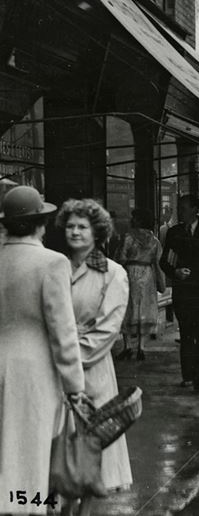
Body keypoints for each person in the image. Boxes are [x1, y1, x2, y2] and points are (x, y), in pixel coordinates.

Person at [0, 186, 89, 514]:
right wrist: (75, 386)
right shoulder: (52, 263)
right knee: (31, 454)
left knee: (4, 453)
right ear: (41, 223)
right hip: (35, 372)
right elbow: (63, 331)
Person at [57, 198, 133, 502]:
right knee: (61, 456)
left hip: (90, 370)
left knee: (93, 456)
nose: (75, 232)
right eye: (71, 226)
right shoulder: (55, 266)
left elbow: (107, 330)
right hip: (58, 370)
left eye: (82, 227)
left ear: (97, 232)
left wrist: (68, 356)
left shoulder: (112, 274)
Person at [159, 194, 199, 392]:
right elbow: (164, 261)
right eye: (179, 208)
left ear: (195, 209)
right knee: (187, 333)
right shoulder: (174, 233)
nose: (180, 212)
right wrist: (175, 272)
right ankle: (188, 375)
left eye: (184, 208)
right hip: (183, 291)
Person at [116, 208, 165, 361]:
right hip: (147, 274)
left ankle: (127, 346)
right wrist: (160, 280)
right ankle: (141, 347)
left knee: (128, 306)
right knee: (144, 307)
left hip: (130, 273)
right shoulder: (154, 240)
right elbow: (158, 261)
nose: (132, 220)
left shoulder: (129, 237)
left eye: (134, 217)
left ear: (138, 220)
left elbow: (121, 257)